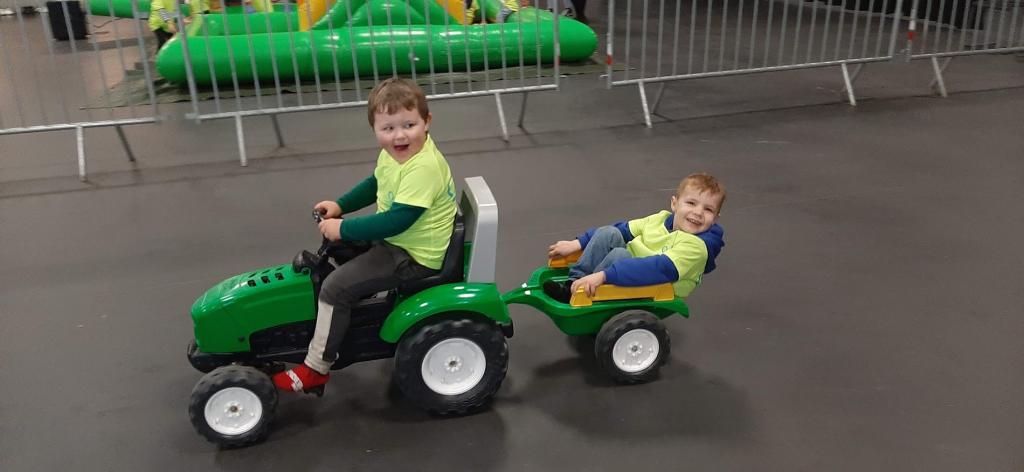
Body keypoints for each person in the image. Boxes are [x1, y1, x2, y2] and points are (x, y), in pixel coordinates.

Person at [272, 78, 458, 394]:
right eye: (388, 128)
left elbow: (397, 221)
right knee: (337, 250)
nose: (399, 135)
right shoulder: (395, 155)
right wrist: (340, 205)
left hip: (413, 255)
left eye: (409, 124)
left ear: (427, 122)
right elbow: (376, 183)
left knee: (334, 287)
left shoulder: (423, 166)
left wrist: (342, 227)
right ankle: (343, 322)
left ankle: (317, 367)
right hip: (400, 241)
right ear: (375, 129)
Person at [543, 173, 726, 303]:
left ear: (715, 217)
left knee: (620, 256)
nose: (698, 212)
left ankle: (584, 293)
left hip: (657, 283)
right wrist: (577, 243)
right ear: (674, 203)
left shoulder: (697, 247)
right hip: (625, 267)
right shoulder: (660, 219)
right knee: (609, 233)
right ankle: (573, 284)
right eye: (691, 203)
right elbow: (622, 229)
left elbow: (658, 268)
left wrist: (604, 275)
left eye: (708, 209)